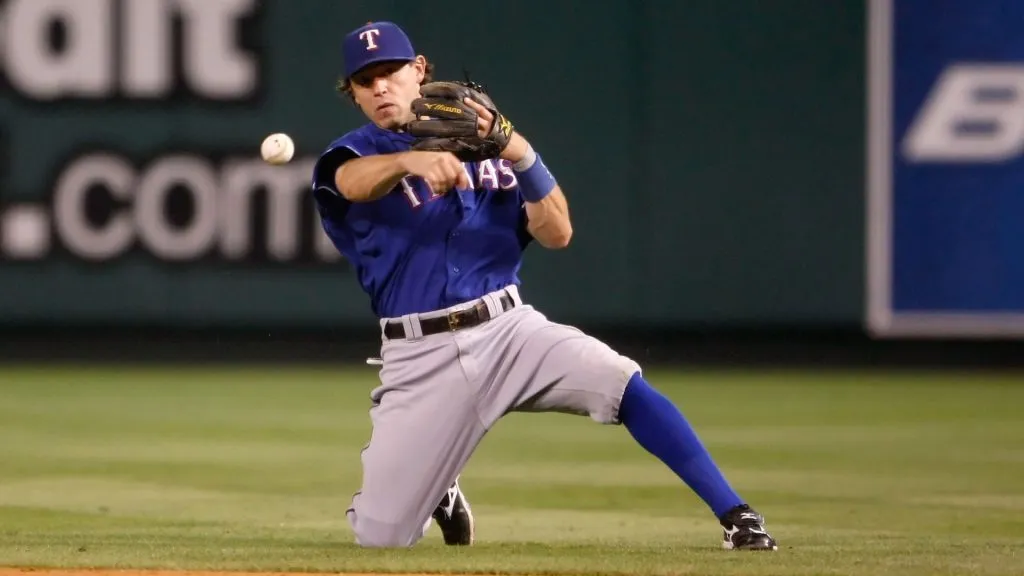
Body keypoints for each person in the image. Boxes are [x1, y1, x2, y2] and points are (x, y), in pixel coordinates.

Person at [310, 20, 778, 552]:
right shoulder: (353, 153)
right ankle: (440, 486)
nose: (379, 87)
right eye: (364, 80)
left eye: (389, 72)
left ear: (418, 70)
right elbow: (352, 183)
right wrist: (408, 161)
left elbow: (558, 233)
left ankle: (737, 515)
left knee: (620, 381)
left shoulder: (485, 144)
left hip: (510, 331)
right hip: (421, 355)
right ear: (353, 93)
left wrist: (521, 152)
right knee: (381, 537)